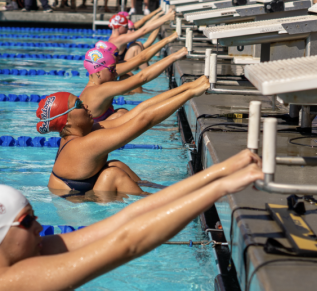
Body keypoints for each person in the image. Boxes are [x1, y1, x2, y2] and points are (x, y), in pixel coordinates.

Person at [0, 145, 261, 291]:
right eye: (28, 221)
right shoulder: (8, 282)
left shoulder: (8, 259)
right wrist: (221, 190)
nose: (40, 227)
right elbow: (128, 243)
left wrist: (220, 172)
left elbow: (124, 221)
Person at [37, 50, 201, 198]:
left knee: (115, 164)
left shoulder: (84, 134)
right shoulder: (83, 145)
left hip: (89, 195)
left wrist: (188, 87)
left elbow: (140, 111)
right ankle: (169, 199)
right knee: (112, 174)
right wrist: (190, 94)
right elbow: (144, 121)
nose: (86, 105)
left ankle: (162, 190)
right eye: (79, 105)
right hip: (81, 212)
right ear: (67, 120)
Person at [108, 10, 174, 60]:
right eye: (126, 26)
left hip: (122, 69)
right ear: (119, 27)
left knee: (137, 45)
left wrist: (163, 18)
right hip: (120, 73)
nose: (127, 28)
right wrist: (166, 18)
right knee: (135, 47)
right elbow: (144, 30)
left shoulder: (115, 38)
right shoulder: (117, 39)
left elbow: (145, 27)